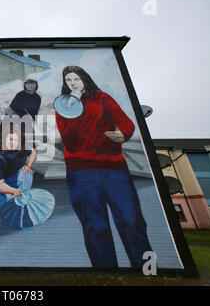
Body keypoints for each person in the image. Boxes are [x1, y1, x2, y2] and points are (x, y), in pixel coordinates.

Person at [55, 65, 152, 268]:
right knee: (95, 226)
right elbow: (69, 140)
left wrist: (121, 135)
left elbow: (126, 123)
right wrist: (72, 108)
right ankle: (105, 273)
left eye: (76, 79)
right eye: (68, 80)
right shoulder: (63, 105)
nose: (73, 83)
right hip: (80, 172)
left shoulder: (102, 98)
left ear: (84, 79)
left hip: (114, 170)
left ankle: (147, 271)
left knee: (132, 222)